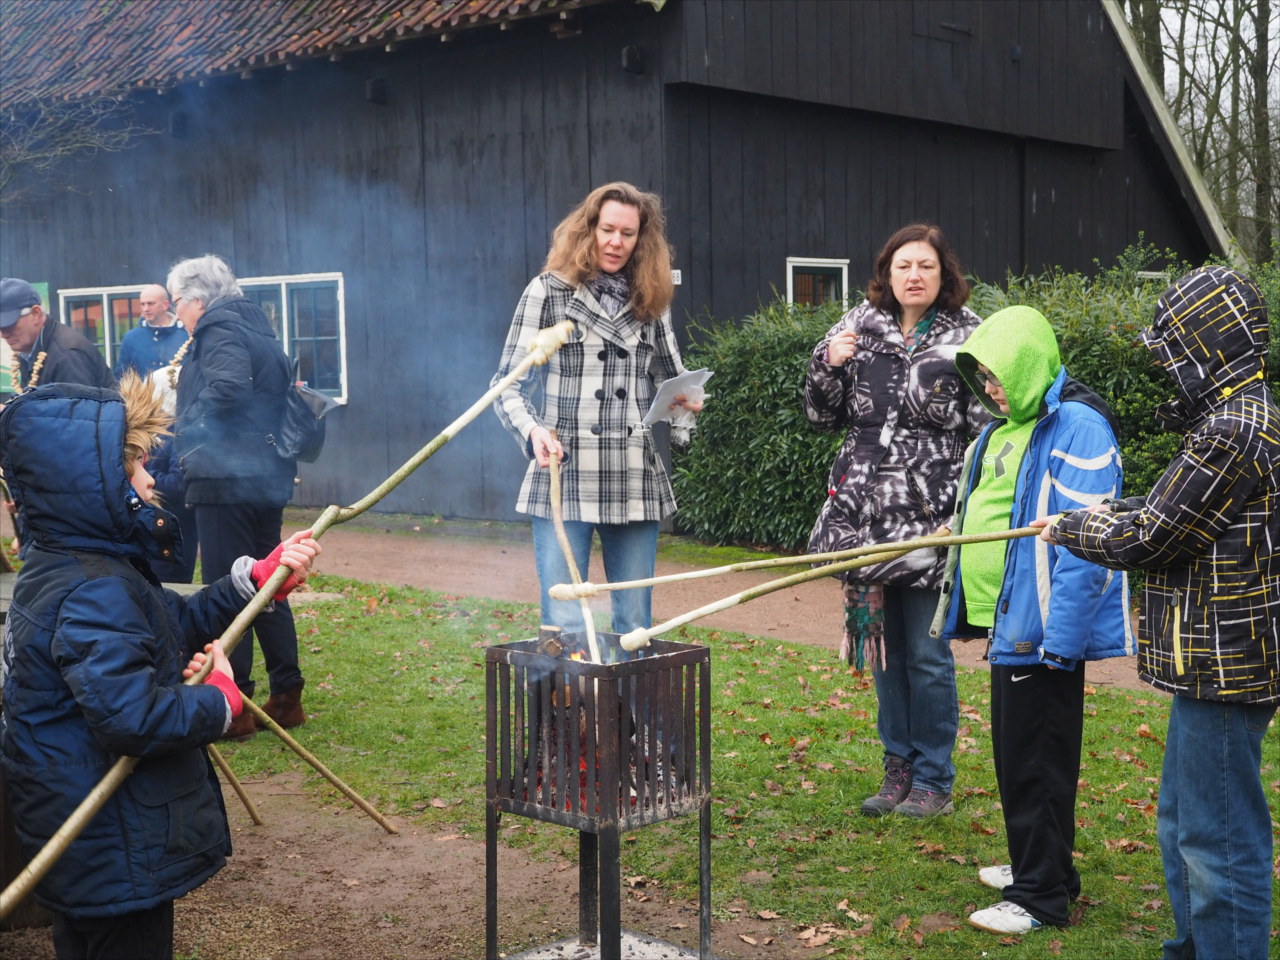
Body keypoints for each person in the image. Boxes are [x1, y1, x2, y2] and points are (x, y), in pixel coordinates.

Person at [0, 375, 319, 960]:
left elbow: (174, 618)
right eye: (135, 468)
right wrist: (220, 700)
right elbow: (133, 717)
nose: (151, 478)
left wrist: (254, 582)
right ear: (91, 488)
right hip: (110, 841)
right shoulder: (91, 589)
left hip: (89, 839)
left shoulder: (79, 565)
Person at [1033, 265, 1278, 959]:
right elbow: (1173, 511)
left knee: (1218, 838)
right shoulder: (1233, 419)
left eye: (1174, 349)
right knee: (1182, 824)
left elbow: (1154, 537)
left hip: (1227, 667)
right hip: (1212, 665)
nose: (1168, 366)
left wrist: (1072, 528)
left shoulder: (1232, 429)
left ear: (1208, 344)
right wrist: (1105, 512)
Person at [930, 305, 1132, 934]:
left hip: (1043, 632)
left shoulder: (1078, 426)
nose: (989, 388)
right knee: (1019, 754)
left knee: (1035, 760)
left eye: (998, 374)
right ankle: (1045, 868)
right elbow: (995, 507)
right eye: (981, 376)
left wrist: (1062, 642)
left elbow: (1086, 543)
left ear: (1028, 362)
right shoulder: (1004, 428)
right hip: (1010, 623)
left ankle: (1041, 898)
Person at [804, 223, 987, 818]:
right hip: (862, 508)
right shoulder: (858, 324)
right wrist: (828, 362)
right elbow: (819, 412)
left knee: (926, 653)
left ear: (943, 275)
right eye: (904, 265)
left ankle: (935, 778)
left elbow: (986, 426)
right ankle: (897, 769)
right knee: (881, 646)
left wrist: (969, 505)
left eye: (926, 266)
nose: (914, 275)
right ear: (887, 272)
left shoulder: (969, 335)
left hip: (930, 514)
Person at [492, 182, 702, 638]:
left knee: (634, 625)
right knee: (564, 623)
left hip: (632, 475)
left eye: (628, 234)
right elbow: (506, 386)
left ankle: (633, 713)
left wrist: (687, 404)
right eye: (608, 229)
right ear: (588, 230)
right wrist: (533, 433)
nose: (616, 242)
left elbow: (674, 381)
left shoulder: (652, 299)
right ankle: (566, 712)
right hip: (563, 472)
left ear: (640, 240)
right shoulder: (547, 292)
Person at [169, 253, 304, 739]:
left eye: (177, 304)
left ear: (198, 300)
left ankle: (239, 702)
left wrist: (183, 426)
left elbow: (227, 390)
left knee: (230, 588)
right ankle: (286, 695)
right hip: (263, 478)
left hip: (226, 481)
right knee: (268, 583)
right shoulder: (257, 328)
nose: (176, 314)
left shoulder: (218, 330)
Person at [1, 276, 115, 392]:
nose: (3, 334)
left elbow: (80, 409)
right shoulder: (35, 350)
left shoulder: (66, 354)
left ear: (36, 314)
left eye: (9, 325)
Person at [116, 283, 190, 379]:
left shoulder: (187, 334)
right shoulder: (131, 338)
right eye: (143, 304)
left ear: (165, 305)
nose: (146, 309)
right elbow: (122, 377)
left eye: (151, 304)